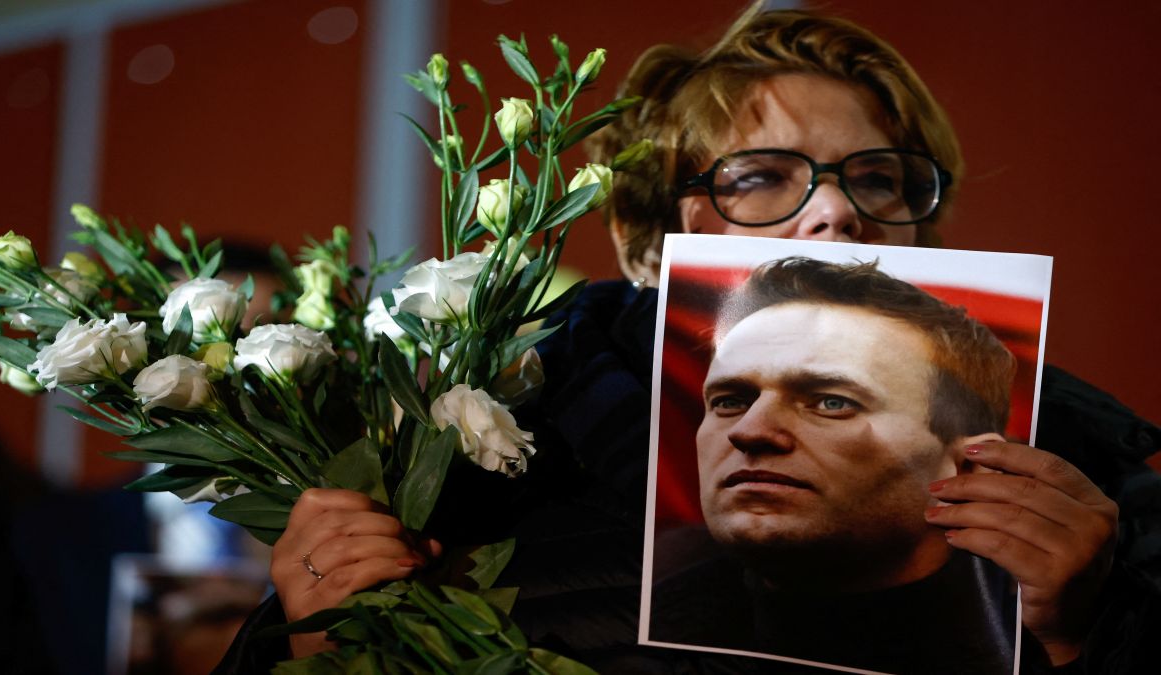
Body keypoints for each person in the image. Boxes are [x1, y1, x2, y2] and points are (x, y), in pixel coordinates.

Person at [218, 4, 1161, 673]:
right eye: (759, 177)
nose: (836, 209)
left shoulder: (1078, 469)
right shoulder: (479, 439)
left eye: (880, 178)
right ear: (644, 244)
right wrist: (320, 635)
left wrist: (1086, 632)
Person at [649, 257, 1022, 672]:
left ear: (970, 473)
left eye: (832, 402)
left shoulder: (1054, 640)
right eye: (731, 401)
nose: (750, 431)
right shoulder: (629, 620)